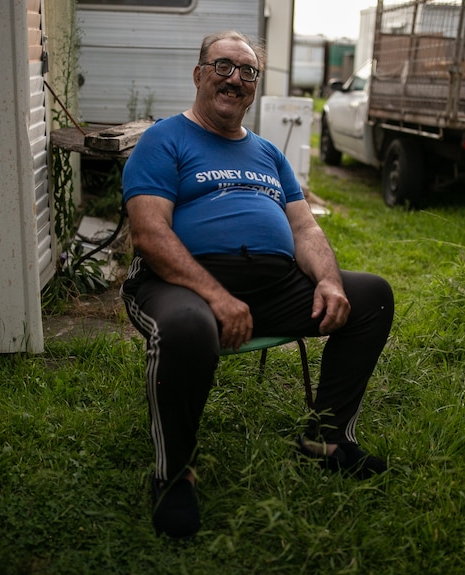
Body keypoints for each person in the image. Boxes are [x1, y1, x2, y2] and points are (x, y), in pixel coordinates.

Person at [119, 30, 395, 539]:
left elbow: (305, 227)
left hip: (273, 286)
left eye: (248, 71)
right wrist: (218, 297)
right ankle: (173, 474)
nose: (235, 79)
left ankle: (327, 439)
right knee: (187, 328)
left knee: (371, 296)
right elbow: (150, 234)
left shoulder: (268, 153)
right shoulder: (166, 138)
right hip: (180, 283)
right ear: (199, 73)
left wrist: (329, 282)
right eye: (224, 66)